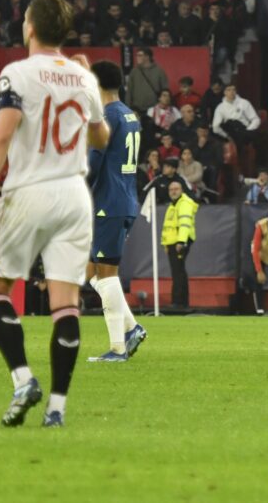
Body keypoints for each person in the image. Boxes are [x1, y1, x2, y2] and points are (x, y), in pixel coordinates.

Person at [0, 0, 110, 428]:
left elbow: (0, 136)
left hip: (28, 190)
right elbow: (101, 137)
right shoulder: (83, 77)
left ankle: (23, 378)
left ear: (29, 26)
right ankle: (57, 409)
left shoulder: (17, 73)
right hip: (73, 195)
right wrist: (89, 87)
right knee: (65, 302)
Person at [85, 60, 147, 362]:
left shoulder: (107, 115)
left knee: (106, 273)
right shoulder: (129, 114)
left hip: (108, 202)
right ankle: (132, 327)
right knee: (87, 269)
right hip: (123, 198)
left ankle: (118, 348)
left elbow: (93, 162)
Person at [161, 179, 198, 309]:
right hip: (173, 242)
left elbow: (185, 224)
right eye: (171, 189)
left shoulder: (184, 204)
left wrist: (181, 241)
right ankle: (180, 302)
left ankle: (179, 302)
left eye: (176, 189)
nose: (173, 192)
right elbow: (168, 227)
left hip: (180, 241)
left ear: (181, 190)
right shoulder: (173, 205)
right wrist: (165, 244)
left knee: (178, 272)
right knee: (177, 271)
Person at [127, 47, 169, 115]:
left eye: (140, 55)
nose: (137, 57)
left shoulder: (159, 71)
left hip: (154, 111)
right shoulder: (134, 72)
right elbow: (129, 92)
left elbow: (165, 91)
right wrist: (128, 108)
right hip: (136, 110)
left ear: (147, 57)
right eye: (136, 55)